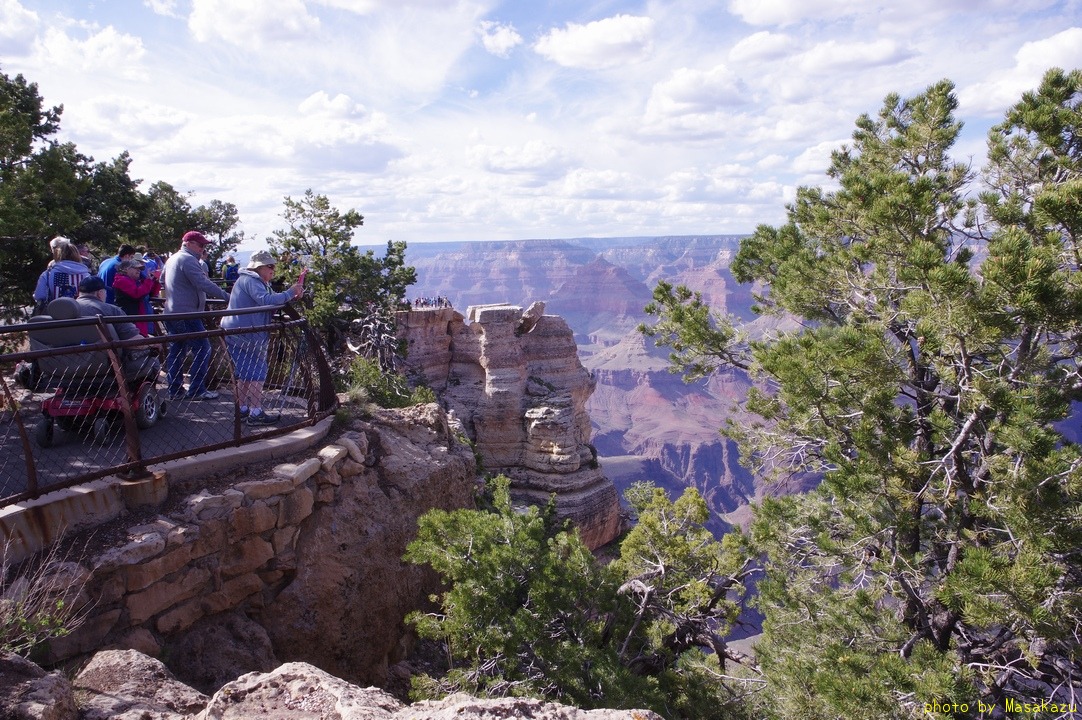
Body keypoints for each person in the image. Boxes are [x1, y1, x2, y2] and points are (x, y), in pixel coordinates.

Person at [221, 250, 303, 425]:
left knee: (245, 372)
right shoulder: (252, 281)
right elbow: (266, 300)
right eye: (270, 266)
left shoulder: (248, 280)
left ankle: (242, 409)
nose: (273, 269)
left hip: (237, 331)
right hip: (248, 333)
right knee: (258, 371)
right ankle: (255, 412)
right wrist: (289, 292)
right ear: (259, 267)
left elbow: (271, 302)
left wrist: (291, 296)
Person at [161, 231, 229, 400]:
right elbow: (203, 283)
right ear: (189, 243)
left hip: (173, 312)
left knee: (177, 351)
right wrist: (228, 297)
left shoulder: (172, 259)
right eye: (200, 245)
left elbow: (162, 280)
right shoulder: (188, 259)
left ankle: (175, 390)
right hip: (187, 313)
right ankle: (197, 389)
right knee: (203, 348)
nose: (202, 249)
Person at [74, 276, 159, 380]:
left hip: (65, 367)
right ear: (100, 293)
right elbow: (134, 342)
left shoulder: (62, 313)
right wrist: (152, 342)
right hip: (108, 368)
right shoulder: (110, 310)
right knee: (153, 356)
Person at [33, 241, 90, 313]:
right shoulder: (87, 276)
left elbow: (39, 296)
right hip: (80, 319)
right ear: (77, 255)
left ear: (57, 255)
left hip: (54, 319)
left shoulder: (47, 275)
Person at [112, 255, 161, 335]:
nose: (139, 271)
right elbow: (137, 294)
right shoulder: (121, 280)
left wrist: (155, 280)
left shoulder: (135, 281)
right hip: (131, 319)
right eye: (136, 268)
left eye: (140, 269)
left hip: (138, 318)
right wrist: (148, 281)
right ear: (125, 269)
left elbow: (151, 293)